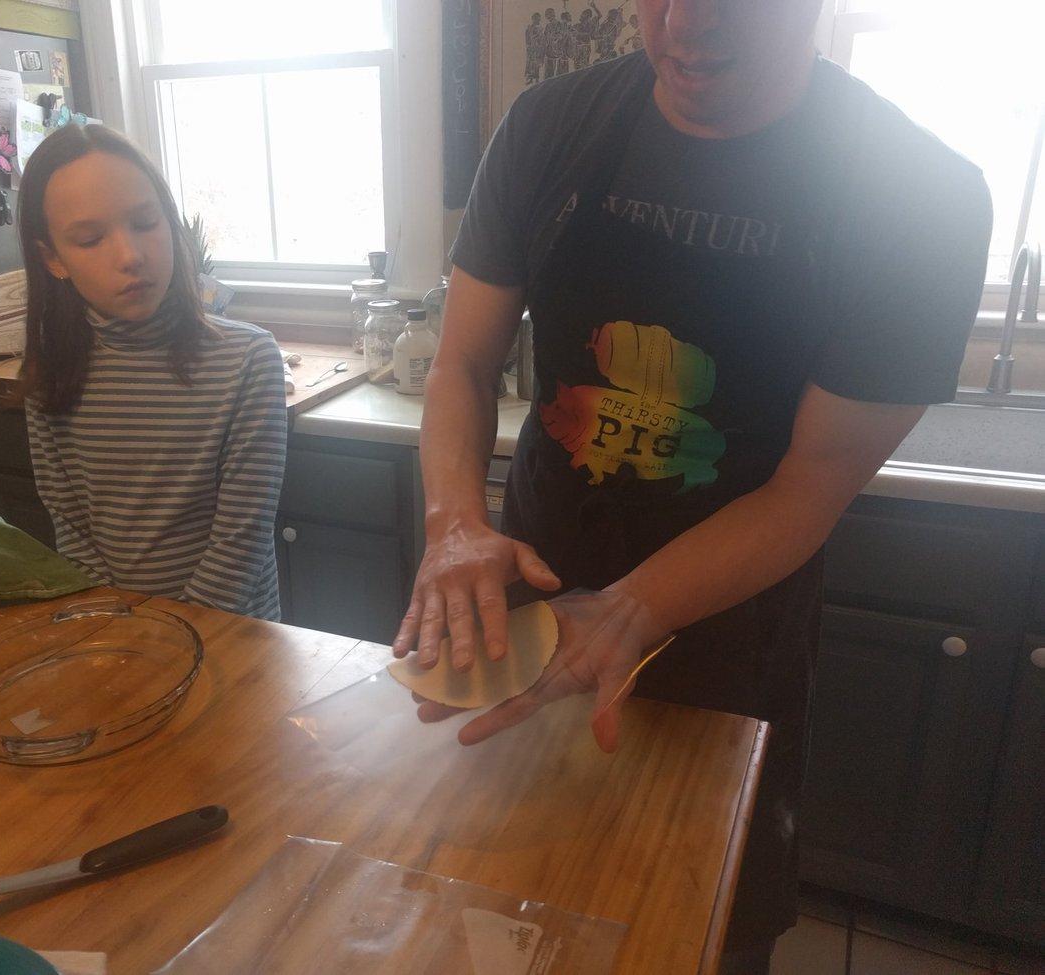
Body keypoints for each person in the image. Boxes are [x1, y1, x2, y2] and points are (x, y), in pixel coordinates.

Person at [392, 0, 992, 970]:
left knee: (694, 934)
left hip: (724, 638)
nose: (682, 27)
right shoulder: (550, 126)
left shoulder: (919, 197)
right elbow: (460, 367)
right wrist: (455, 522)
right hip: (535, 614)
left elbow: (810, 487)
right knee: (506, 912)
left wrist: (629, 613)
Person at [17, 124, 287, 620]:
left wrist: (174, 637)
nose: (131, 256)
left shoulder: (247, 360)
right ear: (53, 258)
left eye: (146, 223)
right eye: (91, 238)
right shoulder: (49, 373)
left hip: (235, 640)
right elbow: (70, 526)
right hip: (120, 639)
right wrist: (125, 631)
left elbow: (240, 539)